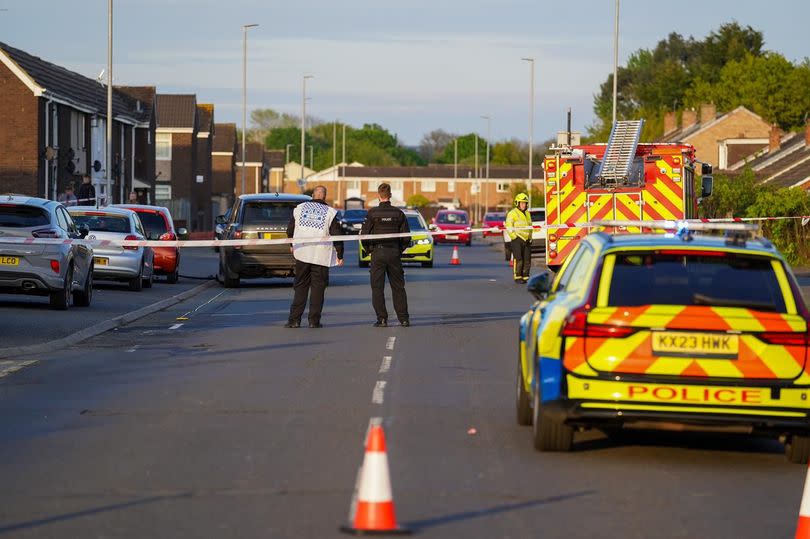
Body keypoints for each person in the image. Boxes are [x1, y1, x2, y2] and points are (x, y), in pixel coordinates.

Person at [285, 185, 344, 328]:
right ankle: (314, 321)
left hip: (302, 253)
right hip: (321, 255)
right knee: (318, 288)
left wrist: (292, 245)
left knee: (300, 287)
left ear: (312, 195)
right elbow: (336, 235)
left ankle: (294, 320)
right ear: (325, 196)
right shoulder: (331, 212)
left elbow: (290, 230)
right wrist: (340, 254)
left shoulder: (299, 208)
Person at [360, 183, 410, 327]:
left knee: (377, 288)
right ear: (391, 196)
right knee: (398, 287)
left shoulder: (372, 213)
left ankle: (382, 319)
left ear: (378, 196)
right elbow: (406, 237)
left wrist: (370, 250)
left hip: (378, 252)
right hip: (394, 252)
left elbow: (364, 236)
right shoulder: (399, 213)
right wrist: (399, 250)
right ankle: (404, 319)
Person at [505, 192, 533, 283]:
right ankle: (518, 276)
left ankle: (526, 276)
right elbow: (509, 226)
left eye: (525, 203)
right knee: (519, 258)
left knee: (527, 259)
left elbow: (530, 226)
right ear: (517, 203)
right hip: (517, 238)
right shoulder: (512, 213)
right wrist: (514, 237)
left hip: (526, 239)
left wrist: (530, 237)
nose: (523, 205)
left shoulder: (528, 213)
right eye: (521, 203)